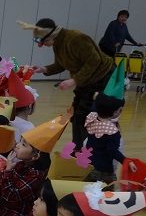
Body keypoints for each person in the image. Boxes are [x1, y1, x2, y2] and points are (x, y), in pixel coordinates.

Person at [19, 18, 115, 148]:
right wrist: (43, 69)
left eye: (42, 41)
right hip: (86, 79)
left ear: (50, 36)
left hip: (103, 77)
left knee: (85, 114)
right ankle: (79, 148)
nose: (42, 45)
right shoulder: (57, 43)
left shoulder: (76, 38)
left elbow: (94, 60)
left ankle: (86, 150)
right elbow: (61, 64)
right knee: (76, 115)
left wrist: (74, 80)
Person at [84, 91, 134, 185]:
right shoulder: (112, 132)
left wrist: (96, 99)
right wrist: (126, 161)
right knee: (107, 192)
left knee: (86, 189)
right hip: (104, 171)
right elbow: (112, 151)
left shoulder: (91, 117)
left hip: (88, 165)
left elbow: (94, 108)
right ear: (116, 112)